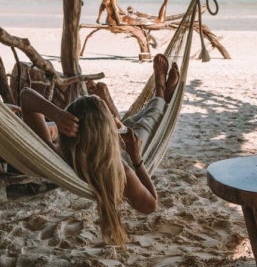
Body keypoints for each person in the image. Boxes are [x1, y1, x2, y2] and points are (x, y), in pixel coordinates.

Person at [19, 53, 179, 247]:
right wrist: (137, 159)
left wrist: (56, 114)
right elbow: (150, 205)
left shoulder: (58, 156)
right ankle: (160, 93)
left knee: (134, 119)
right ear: (106, 131)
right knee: (148, 122)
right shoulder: (121, 170)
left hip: (108, 144)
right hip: (127, 151)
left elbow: (25, 96)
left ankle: (161, 98)